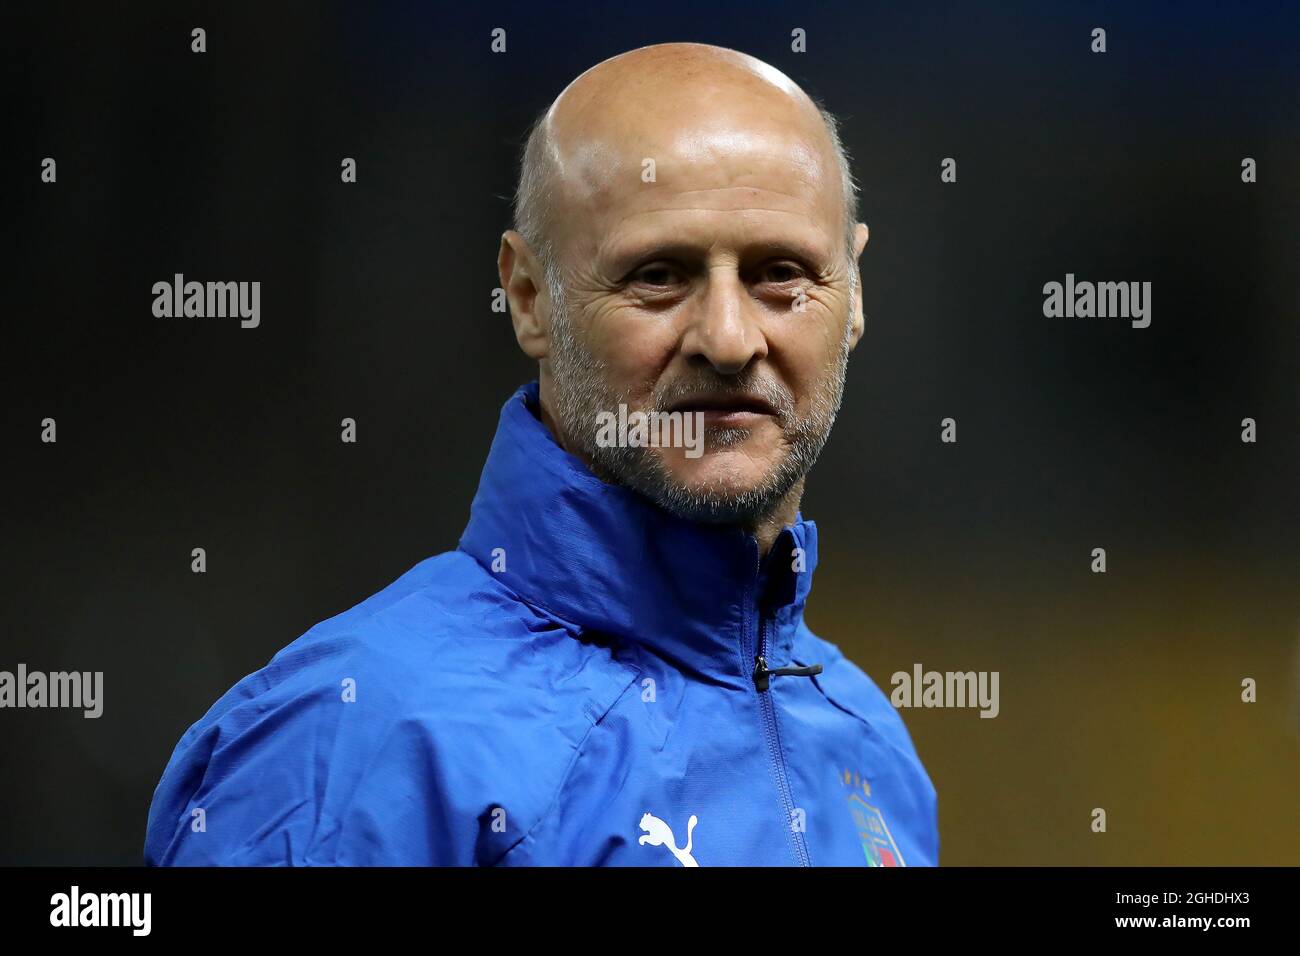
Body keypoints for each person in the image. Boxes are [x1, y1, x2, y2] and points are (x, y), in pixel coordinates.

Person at [145, 41, 938, 867]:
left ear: (851, 295)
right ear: (529, 298)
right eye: (659, 275)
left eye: (781, 273)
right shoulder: (361, 738)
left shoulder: (869, 742)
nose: (730, 340)